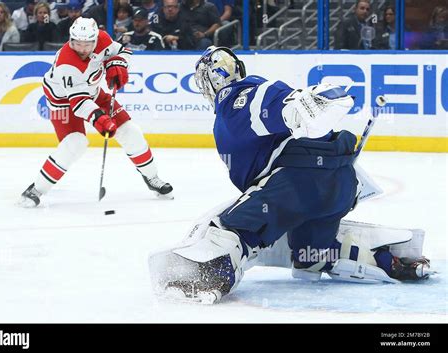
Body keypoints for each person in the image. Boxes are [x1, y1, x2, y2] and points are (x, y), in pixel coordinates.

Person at [148, 46, 433, 304]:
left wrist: (305, 104)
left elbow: (284, 107)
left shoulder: (235, 97)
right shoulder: (240, 101)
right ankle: (384, 259)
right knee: (309, 255)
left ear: (213, 78)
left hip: (296, 185)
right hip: (341, 184)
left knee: (227, 227)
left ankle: (206, 274)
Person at [18, 17, 173, 208]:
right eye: (77, 44)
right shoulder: (66, 64)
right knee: (75, 144)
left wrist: (118, 64)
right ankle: (36, 189)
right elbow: (79, 103)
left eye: (87, 44)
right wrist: (99, 119)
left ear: (95, 39)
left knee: (130, 131)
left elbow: (123, 51)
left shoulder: (102, 38)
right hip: (62, 104)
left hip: (93, 92)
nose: (82, 49)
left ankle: (152, 178)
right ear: (70, 39)